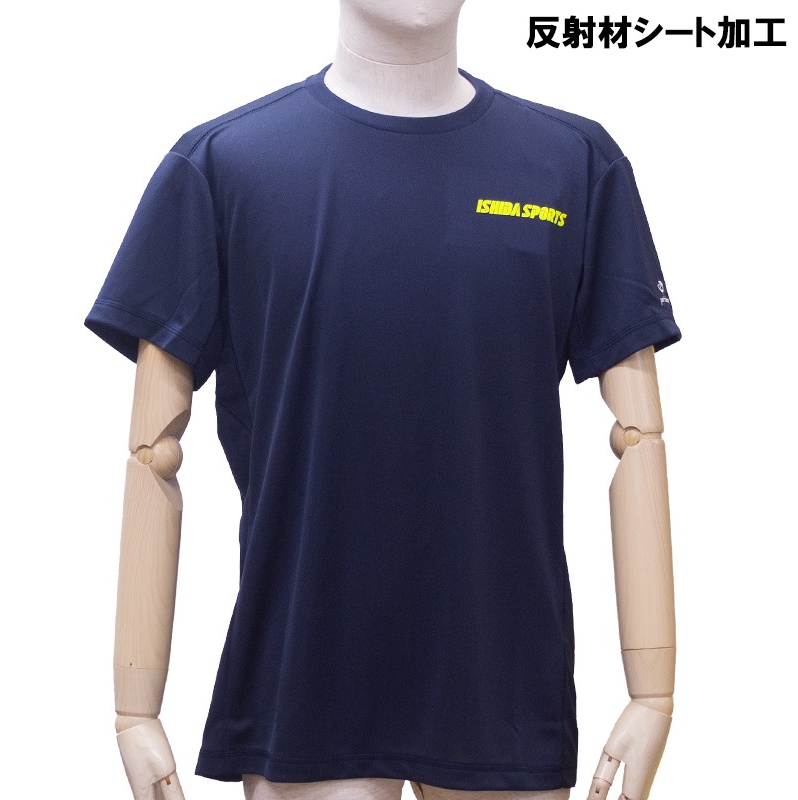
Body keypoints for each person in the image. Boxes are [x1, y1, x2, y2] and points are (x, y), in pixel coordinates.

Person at [85, 1, 681, 798]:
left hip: (503, 674)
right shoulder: (225, 166)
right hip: (304, 673)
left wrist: (652, 693)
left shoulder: (573, 164)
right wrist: (135, 708)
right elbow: (153, 454)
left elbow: (638, 436)